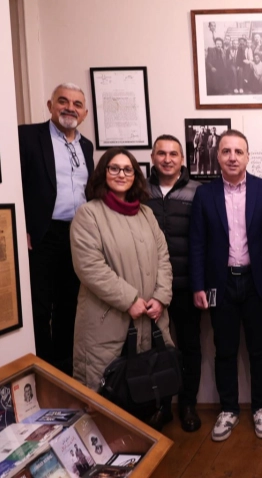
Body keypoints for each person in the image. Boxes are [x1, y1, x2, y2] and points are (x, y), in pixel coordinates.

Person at [70, 148, 174, 415]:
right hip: (107, 322)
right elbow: (90, 267)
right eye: (114, 168)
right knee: (105, 399)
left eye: (128, 169)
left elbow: (163, 257)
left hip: (149, 317)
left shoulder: (146, 214)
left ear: (135, 176)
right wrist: (130, 300)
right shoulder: (89, 214)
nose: (121, 174)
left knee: (143, 391)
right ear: (103, 173)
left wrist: (161, 297)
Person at [189, 130, 262, 442]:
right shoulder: (205, 194)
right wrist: (198, 285)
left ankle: (261, 408)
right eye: (226, 151)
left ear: (248, 156)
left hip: (257, 282)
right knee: (224, 350)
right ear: (218, 156)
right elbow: (197, 242)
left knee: (260, 350)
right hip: (220, 283)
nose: (232, 157)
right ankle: (228, 409)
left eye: (239, 151)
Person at [18, 82, 94, 375]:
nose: (70, 108)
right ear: (50, 106)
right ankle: (42, 372)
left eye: (77, 104)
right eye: (63, 101)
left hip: (77, 236)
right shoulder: (27, 137)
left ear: (84, 113)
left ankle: (63, 374)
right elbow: (13, 186)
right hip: (41, 235)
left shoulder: (86, 146)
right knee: (39, 308)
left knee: (69, 306)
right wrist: (20, 227)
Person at [146, 135, 202, 432]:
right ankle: (162, 406)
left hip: (185, 283)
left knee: (190, 346)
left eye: (173, 154)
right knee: (157, 349)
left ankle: (188, 405)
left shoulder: (197, 191)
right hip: (150, 288)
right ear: (153, 157)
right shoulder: (139, 190)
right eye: (162, 153)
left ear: (182, 159)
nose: (167, 159)